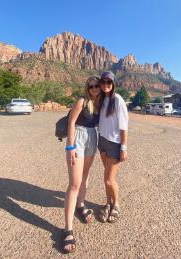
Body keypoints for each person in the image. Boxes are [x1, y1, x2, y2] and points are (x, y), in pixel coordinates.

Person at [62, 76, 101, 253]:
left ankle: (81, 206)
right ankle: (68, 230)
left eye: (97, 86)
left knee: (85, 176)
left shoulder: (99, 103)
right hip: (77, 138)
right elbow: (71, 122)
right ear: (87, 87)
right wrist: (70, 147)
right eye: (91, 86)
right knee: (74, 184)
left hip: (92, 137)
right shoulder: (82, 100)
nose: (94, 88)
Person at [97, 71, 129, 224]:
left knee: (110, 179)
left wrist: (124, 147)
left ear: (113, 84)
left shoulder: (118, 100)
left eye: (108, 82)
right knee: (106, 178)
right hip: (102, 141)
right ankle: (108, 203)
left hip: (115, 144)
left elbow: (124, 127)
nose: (105, 85)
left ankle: (116, 205)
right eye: (102, 82)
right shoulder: (102, 99)